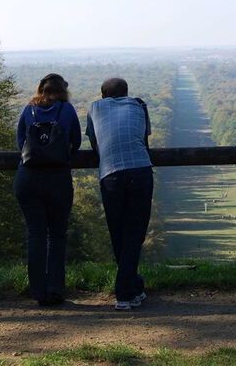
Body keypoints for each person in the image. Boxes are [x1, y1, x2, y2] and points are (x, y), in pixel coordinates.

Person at [86, 77, 153, 311]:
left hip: (110, 174)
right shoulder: (138, 104)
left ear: (103, 95)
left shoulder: (95, 108)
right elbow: (144, 139)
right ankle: (127, 290)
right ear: (126, 93)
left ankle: (130, 287)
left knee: (118, 232)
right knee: (135, 231)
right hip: (140, 170)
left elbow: (95, 142)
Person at [15, 73, 81, 306]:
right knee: (57, 235)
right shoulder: (67, 111)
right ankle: (55, 289)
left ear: (40, 89)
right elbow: (76, 143)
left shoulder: (27, 110)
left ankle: (37, 291)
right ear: (63, 90)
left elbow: (20, 143)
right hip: (57, 179)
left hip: (28, 179)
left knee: (36, 235)